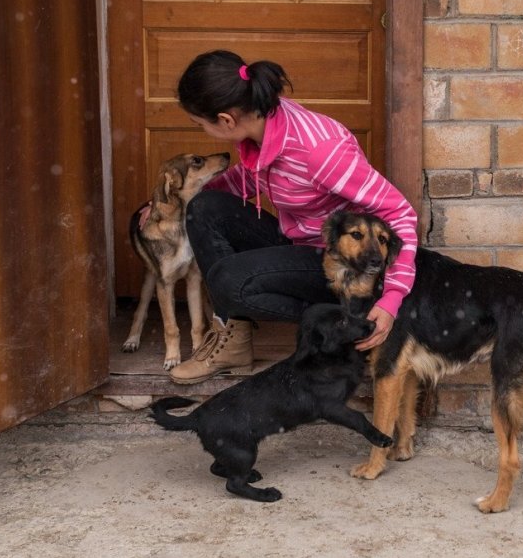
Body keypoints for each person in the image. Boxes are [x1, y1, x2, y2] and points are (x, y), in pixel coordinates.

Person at [167, 49, 418, 384]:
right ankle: (233, 343)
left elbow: (398, 212)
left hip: (338, 265)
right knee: (204, 207)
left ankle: (342, 323)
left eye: (200, 124)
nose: (201, 130)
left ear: (226, 120)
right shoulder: (266, 124)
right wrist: (162, 206)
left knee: (229, 281)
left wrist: (391, 299)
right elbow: (247, 179)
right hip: (298, 241)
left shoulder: (319, 152)